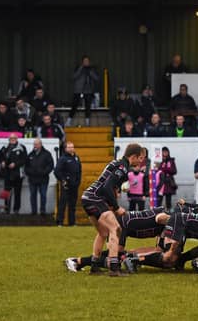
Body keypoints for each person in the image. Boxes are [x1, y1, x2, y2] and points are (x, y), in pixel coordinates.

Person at [81, 143, 142, 276]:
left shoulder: (118, 163)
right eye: (140, 158)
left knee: (103, 232)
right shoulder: (122, 168)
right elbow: (107, 187)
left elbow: (109, 186)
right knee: (115, 229)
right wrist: (116, 207)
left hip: (87, 197)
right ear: (134, 156)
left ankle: (94, 265)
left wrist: (115, 195)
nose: (141, 161)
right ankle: (114, 268)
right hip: (95, 199)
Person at [55, 141, 82, 226]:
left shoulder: (76, 158)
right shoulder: (62, 159)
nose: (71, 149)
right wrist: (63, 180)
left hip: (75, 184)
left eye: (72, 147)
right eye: (69, 147)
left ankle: (72, 222)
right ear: (65, 148)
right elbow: (57, 171)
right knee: (63, 203)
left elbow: (79, 171)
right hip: (66, 185)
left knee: (72, 205)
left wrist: (78, 180)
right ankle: (60, 222)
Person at [0, 134, 27, 214]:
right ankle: (6, 209)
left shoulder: (21, 147)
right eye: (11, 138)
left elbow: (24, 160)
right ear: (8, 139)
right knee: (6, 192)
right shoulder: (5, 147)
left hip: (18, 174)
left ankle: (16, 210)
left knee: (17, 193)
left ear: (17, 138)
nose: (12, 139)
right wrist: (2, 162)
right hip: (7, 173)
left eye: (14, 138)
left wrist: (15, 164)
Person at [25, 138, 54, 215]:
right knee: (33, 196)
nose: (35, 146)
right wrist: (30, 173)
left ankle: (42, 211)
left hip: (43, 179)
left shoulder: (47, 154)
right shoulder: (30, 154)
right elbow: (26, 167)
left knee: (43, 195)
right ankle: (34, 211)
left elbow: (50, 165)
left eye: (36, 144)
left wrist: (44, 172)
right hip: (32, 179)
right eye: (34, 144)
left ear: (40, 145)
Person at [71, 55, 99, 126]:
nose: (86, 62)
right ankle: (69, 120)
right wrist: (81, 69)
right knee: (74, 105)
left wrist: (90, 72)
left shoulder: (92, 69)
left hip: (88, 90)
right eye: (85, 61)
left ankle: (87, 122)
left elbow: (96, 78)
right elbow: (74, 77)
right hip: (78, 90)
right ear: (82, 62)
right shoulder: (78, 68)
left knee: (88, 107)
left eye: (87, 61)